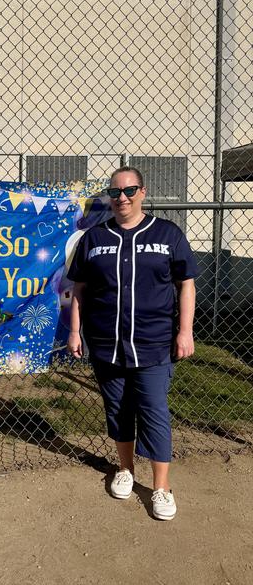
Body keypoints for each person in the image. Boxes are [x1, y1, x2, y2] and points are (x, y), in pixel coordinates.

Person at [67, 166, 196, 520]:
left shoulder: (167, 234)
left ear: (142, 192)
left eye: (129, 190)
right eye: (115, 192)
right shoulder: (94, 238)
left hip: (154, 343)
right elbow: (79, 289)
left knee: (153, 411)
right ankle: (125, 470)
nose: (122, 198)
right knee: (118, 409)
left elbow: (186, 283)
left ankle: (161, 488)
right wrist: (75, 331)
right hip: (107, 343)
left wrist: (185, 331)